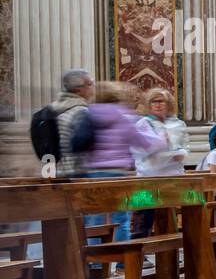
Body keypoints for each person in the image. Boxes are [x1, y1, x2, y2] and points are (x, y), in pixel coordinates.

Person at [82, 81, 165, 242]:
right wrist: (161, 140)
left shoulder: (88, 114)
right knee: (121, 218)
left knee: (96, 218)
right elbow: (142, 141)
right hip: (118, 172)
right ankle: (123, 261)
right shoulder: (123, 116)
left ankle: (96, 262)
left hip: (94, 173)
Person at [131, 88, 188, 239]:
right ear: (148, 105)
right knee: (144, 217)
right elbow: (139, 149)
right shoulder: (143, 124)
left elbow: (183, 146)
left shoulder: (177, 123)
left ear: (168, 103)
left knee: (169, 217)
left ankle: (171, 254)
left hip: (172, 176)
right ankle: (137, 256)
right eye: (154, 102)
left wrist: (180, 153)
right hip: (148, 177)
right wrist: (162, 144)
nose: (157, 105)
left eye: (161, 101)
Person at [31, 68, 95, 177]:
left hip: (55, 172)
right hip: (76, 174)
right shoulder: (80, 112)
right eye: (89, 84)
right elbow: (84, 143)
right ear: (77, 90)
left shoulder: (51, 109)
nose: (92, 88)